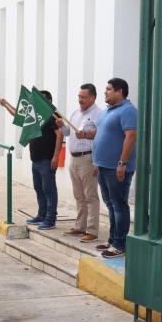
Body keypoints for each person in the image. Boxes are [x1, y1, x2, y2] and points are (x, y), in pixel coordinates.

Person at [0, 90, 63, 230]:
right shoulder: (36, 116)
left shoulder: (53, 115)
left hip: (47, 160)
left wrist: (56, 156)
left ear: (46, 101)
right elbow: (19, 116)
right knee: (39, 189)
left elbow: (60, 135)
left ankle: (50, 219)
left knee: (49, 190)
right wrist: (5, 105)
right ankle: (41, 215)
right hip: (36, 160)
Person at [90, 78, 137, 258]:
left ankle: (120, 244)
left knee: (119, 205)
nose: (105, 92)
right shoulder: (107, 112)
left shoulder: (128, 111)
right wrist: (96, 161)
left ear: (119, 91)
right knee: (110, 205)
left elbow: (131, 136)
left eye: (109, 89)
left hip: (117, 168)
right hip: (103, 166)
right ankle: (112, 239)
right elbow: (101, 134)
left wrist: (122, 163)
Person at [56, 84, 102, 243]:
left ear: (93, 97)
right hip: (74, 159)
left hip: (88, 159)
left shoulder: (98, 115)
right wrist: (62, 126)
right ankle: (79, 226)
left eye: (83, 97)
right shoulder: (76, 113)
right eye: (79, 97)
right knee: (79, 195)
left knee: (90, 196)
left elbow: (101, 139)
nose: (80, 100)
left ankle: (92, 230)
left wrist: (97, 162)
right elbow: (68, 132)